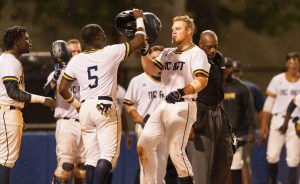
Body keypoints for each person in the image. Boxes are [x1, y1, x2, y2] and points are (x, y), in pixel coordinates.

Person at [58, 8, 146, 184]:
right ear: (98, 37)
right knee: (108, 156)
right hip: (104, 106)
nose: (105, 38)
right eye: (103, 35)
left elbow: (62, 89)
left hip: (85, 107)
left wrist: (76, 104)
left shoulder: (76, 60)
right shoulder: (109, 52)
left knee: (91, 157)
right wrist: (140, 19)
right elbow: (139, 41)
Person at [137, 16, 210, 184]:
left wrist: (181, 92)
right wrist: (144, 51)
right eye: (172, 29)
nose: (173, 31)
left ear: (189, 31)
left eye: (178, 28)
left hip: (183, 104)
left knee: (176, 151)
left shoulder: (197, 53)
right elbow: (150, 69)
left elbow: (202, 81)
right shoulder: (167, 52)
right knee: (144, 144)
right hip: (164, 105)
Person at [0, 26, 55, 184]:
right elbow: (13, 92)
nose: (29, 42)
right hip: (6, 113)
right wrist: (43, 99)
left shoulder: (5, 59)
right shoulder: (10, 61)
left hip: (6, 112)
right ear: (17, 42)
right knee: (5, 161)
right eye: (26, 38)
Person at [186, 30, 234, 184]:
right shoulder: (191, 58)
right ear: (200, 44)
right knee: (201, 168)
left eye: (215, 46)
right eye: (208, 47)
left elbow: (218, 88)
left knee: (225, 156)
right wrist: (188, 123)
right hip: (199, 113)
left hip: (218, 112)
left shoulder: (219, 58)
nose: (212, 50)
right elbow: (181, 90)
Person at [123, 45, 169, 184]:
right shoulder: (138, 80)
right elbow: (128, 103)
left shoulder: (171, 80)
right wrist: (137, 116)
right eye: (153, 58)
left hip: (165, 127)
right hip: (145, 126)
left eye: (160, 58)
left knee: (161, 167)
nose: (157, 61)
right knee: (147, 166)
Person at [44, 39, 86, 183]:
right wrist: (56, 76)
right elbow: (47, 92)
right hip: (67, 122)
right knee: (66, 166)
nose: (76, 54)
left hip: (86, 123)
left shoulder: (87, 72)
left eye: (79, 51)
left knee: (83, 169)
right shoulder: (59, 73)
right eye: (73, 51)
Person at [259, 52, 300, 184]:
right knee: (271, 155)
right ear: (286, 64)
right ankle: (273, 182)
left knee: (293, 157)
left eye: (295, 63)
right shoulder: (278, 80)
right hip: (278, 119)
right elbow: (268, 104)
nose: (293, 65)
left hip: (296, 122)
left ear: (298, 64)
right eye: (290, 63)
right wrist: (264, 124)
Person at [222, 58, 255, 184]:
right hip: (216, 135)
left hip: (236, 134)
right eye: (223, 66)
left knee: (235, 168)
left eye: (228, 67)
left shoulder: (241, 88)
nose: (225, 70)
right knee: (219, 169)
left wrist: (251, 130)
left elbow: (249, 110)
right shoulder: (212, 86)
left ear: (231, 69)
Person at [231, 60, 264, 183]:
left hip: (244, 132)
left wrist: (262, 128)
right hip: (233, 132)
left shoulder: (251, 88)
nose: (234, 74)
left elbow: (260, 110)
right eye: (232, 71)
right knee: (237, 165)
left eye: (236, 71)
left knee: (243, 164)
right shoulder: (225, 86)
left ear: (240, 72)